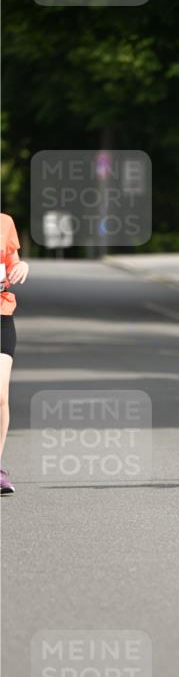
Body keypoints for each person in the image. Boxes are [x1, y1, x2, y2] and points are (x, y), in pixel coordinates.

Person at [1, 212, 30, 495]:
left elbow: (12, 262)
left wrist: (22, 266)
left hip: (1, 314)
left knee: (0, 395)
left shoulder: (5, 222)